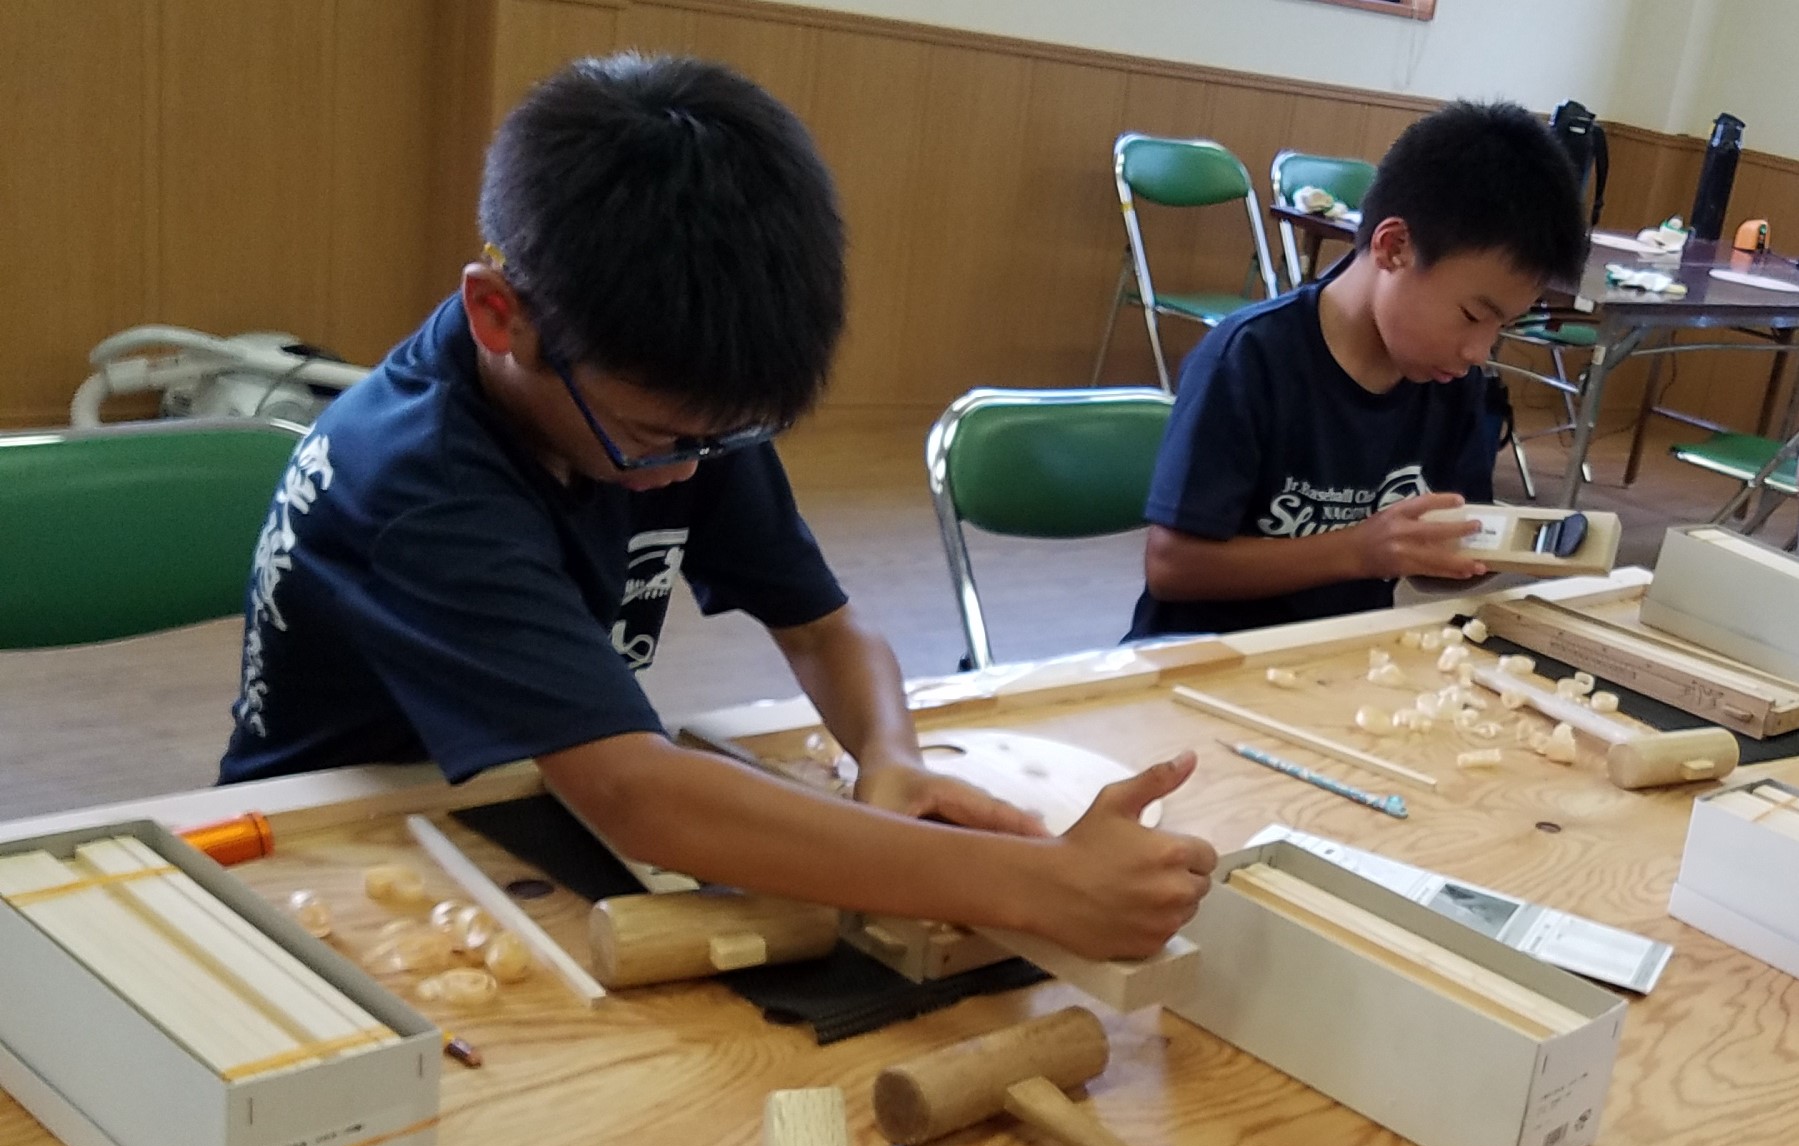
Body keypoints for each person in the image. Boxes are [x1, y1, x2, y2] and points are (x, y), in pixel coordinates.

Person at [218, 53, 1215, 961]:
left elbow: (823, 631)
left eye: (716, 440)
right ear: (498, 316)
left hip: (519, 796)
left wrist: (890, 756)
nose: (681, 475)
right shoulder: (415, 481)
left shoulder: (673, 405)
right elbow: (636, 794)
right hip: (327, 841)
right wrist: (1035, 883)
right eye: (653, 441)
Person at [1126, 100, 1588, 640]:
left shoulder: (1449, 381)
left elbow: (1425, 566)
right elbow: (1173, 567)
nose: (1479, 352)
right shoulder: (1248, 359)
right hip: (1204, 658)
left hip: (1342, 658)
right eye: (1471, 316)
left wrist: (1486, 552)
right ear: (1394, 248)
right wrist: (1357, 551)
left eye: (1501, 326)